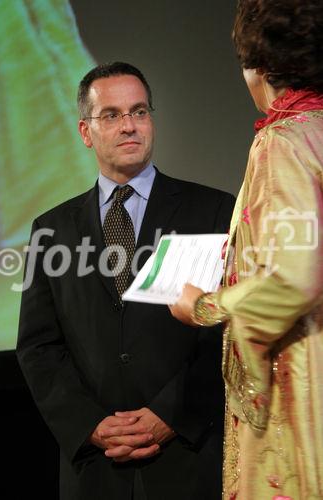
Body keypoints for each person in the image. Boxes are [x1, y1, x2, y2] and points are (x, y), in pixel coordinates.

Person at [16, 62, 235, 500]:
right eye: (111, 115)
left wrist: (170, 413)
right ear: (85, 131)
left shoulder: (211, 211)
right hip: (95, 468)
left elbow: (226, 332)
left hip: (188, 459)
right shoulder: (51, 229)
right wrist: (90, 425)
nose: (129, 126)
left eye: (139, 111)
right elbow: (39, 346)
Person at [170, 1, 323, 499]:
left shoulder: (284, 141)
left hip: (304, 371)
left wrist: (206, 306)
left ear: (258, 65)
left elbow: (296, 277)